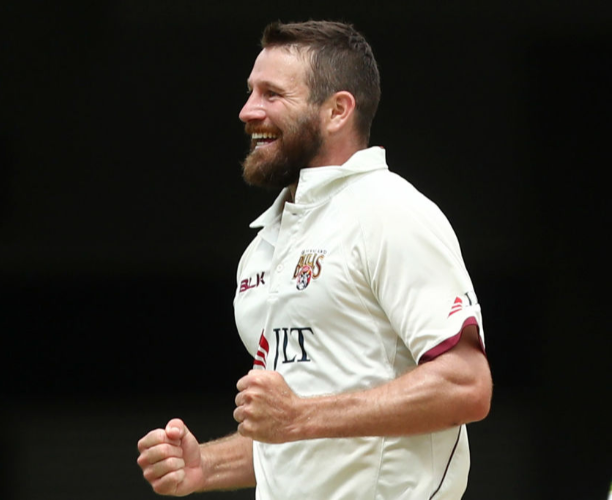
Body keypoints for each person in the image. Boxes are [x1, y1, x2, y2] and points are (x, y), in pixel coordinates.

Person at [137, 19, 492, 499]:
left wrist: (299, 415)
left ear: (337, 110)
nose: (247, 111)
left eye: (272, 94)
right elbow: (293, 433)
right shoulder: (265, 244)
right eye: (249, 92)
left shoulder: (389, 211)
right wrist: (208, 467)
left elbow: (467, 386)